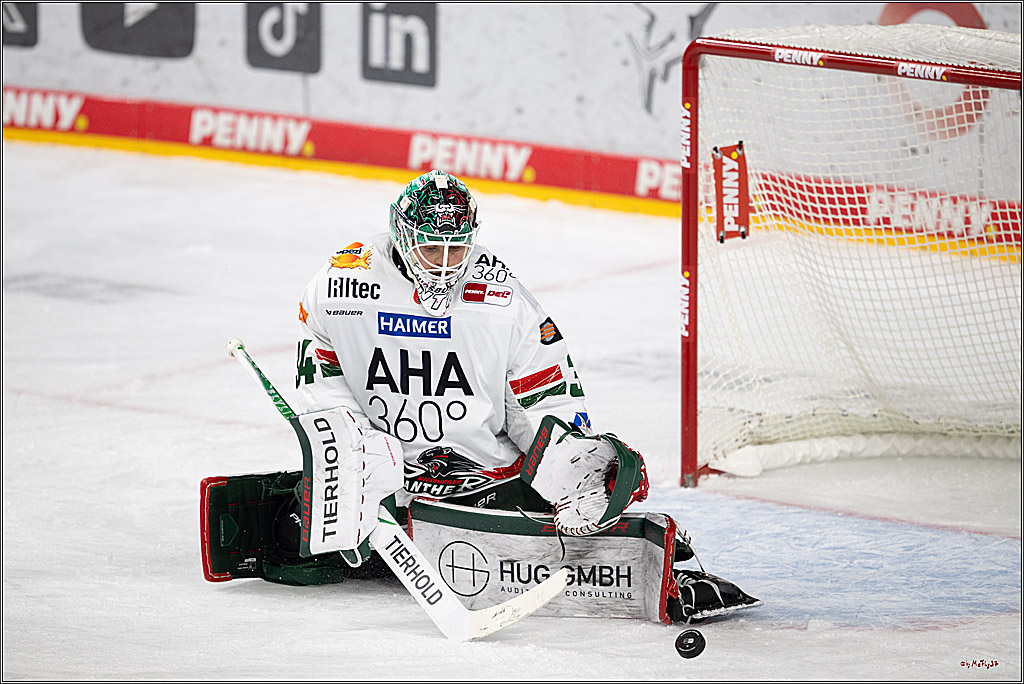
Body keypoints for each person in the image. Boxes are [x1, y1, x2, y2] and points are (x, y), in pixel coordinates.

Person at [265, 170, 758, 622]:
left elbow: (544, 398)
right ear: (401, 236)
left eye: (456, 248)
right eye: (431, 249)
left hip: (483, 485)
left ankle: (673, 567)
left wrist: (573, 466)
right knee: (291, 534)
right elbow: (322, 383)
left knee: (579, 515)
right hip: (384, 479)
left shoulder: (502, 299)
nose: (445, 264)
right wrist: (349, 461)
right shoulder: (340, 285)